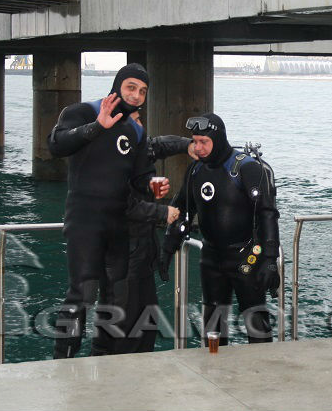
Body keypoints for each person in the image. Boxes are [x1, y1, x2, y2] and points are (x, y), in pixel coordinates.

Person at [47, 63, 166, 358]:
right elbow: (56, 145)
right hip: (85, 222)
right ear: (117, 86)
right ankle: (63, 360)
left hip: (119, 226)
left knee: (115, 297)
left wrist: (154, 184)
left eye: (142, 91)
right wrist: (98, 126)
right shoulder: (82, 111)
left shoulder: (136, 129)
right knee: (82, 294)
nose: (137, 95)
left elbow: (140, 176)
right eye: (131, 88)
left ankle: (103, 360)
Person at [163, 114, 281, 346]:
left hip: (247, 255)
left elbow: (267, 214)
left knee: (255, 321)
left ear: (217, 139)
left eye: (203, 142)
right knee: (213, 325)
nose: (198, 148)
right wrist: (167, 247)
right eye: (195, 141)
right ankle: (215, 368)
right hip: (211, 257)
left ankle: (264, 373)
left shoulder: (245, 168)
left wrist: (269, 258)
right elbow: (183, 211)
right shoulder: (196, 171)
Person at [116, 135, 197, 354]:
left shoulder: (137, 146)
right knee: (123, 327)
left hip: (144, 256)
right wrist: (162, 211)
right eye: (133, 118)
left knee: (148, 323)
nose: (138, 124)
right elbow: (122, 206)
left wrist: (186, 144)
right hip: (121, 258)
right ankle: (113, 378)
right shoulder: (108, 157)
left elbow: (158, 145)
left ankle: (144, 375)